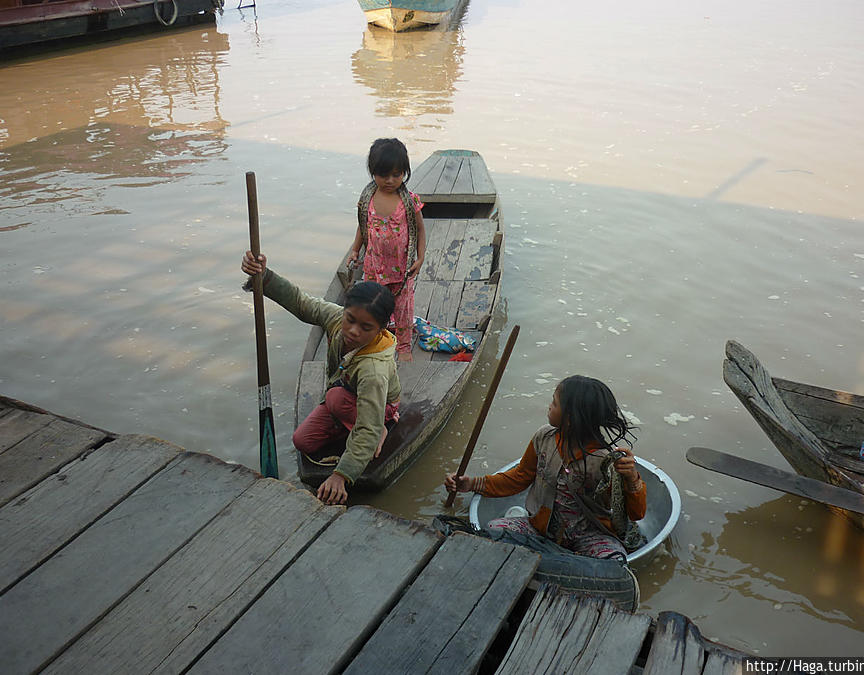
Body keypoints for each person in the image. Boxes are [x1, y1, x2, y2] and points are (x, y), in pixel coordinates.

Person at [241, 251, 401, 506]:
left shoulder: (374, 372)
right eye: (350, 320)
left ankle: (383, 426)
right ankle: (348, 425)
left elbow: (367, 429)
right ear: (345, 311)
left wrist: (341, 475)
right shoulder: (338, 319)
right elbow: (303, 304)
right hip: (344, 394)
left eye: (366, 328)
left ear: (380, 329)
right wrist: (264, 276)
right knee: (301, 441)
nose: (353, 331)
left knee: (338, 401)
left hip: (376, 408)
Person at [444, 375, 647, 558]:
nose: (549, 406)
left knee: (614, 560)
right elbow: (518, 478)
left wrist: (632, 479)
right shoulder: (544, 438)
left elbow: (635, 514)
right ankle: (556, 555)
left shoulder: (604, 461)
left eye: (554, 403)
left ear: (570, 419)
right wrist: (471, 484)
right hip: (540, 529)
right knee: (493, 531)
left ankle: (555, 557)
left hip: (589, 536)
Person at [347, 138, 426, 363]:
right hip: (374, 268)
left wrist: (420, 258)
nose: (390, 181)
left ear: (404, 173)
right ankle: (375, 341)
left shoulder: (409, 201)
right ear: (373, 172)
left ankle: (403, 346)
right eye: (384, 175)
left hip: (402, 269)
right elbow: (363, 228)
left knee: (403, 310)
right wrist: (355, 251)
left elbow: (420, 230)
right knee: (374, 307)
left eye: (397, 175)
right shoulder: (368, 199)